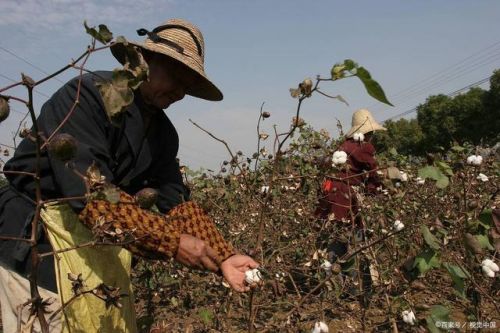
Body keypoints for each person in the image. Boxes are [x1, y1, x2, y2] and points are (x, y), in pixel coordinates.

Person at [0, 18, 258, 332]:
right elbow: (91, 194)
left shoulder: (162, 133)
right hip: (34, 242)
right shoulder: (87, 95)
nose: (179, 92)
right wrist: (172, 242)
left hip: (92, 246)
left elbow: (177, 204)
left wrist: (224, 257)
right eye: (175, 76)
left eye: (187, 86)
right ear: (142, 61)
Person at [315, 108, 386, 300]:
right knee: (355, 241)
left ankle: (330, 287)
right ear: (368, 132)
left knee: (336, 240)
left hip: (330, 197)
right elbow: (372, 173)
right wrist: (378, 191)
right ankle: (354, 290)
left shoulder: (343, 146)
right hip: (346, 199)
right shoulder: (363, 146)